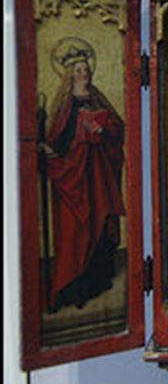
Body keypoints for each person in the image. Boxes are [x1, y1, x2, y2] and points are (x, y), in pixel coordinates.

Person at [39, 48, 125, 311]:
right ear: (69, 74)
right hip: (75, 175)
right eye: (79, 70)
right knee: (77, 229)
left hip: (99, 174)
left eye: (86, 69)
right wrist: (51, 149)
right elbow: (58, 138)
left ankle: (98, 280)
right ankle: (75, 288)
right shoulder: (66, 103)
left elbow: (118, 128)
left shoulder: (97, 98)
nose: (84, 74)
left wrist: (103, 129)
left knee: (101, 221)